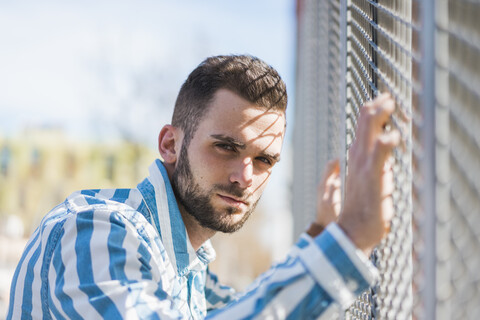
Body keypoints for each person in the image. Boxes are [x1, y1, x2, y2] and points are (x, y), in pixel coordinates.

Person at [7, 55, 400, 319]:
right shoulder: (95, 230)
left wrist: (320, 239)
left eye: (264, 160)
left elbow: (248, 308)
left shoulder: (189, 269)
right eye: (226, 147)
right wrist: (347, 242)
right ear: (170, 144)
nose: (245, 176)